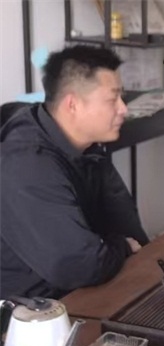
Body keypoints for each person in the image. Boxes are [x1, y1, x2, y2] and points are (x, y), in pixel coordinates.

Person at [0, 45, 148, 300]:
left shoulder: (87, 147)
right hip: (33, 307)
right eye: (112, 99)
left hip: (85, 285)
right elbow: (75, 265)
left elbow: (126, 223)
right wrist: (122, 246)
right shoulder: (27, 162)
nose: (123, 108)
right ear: (73, 105)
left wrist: (134, 249)